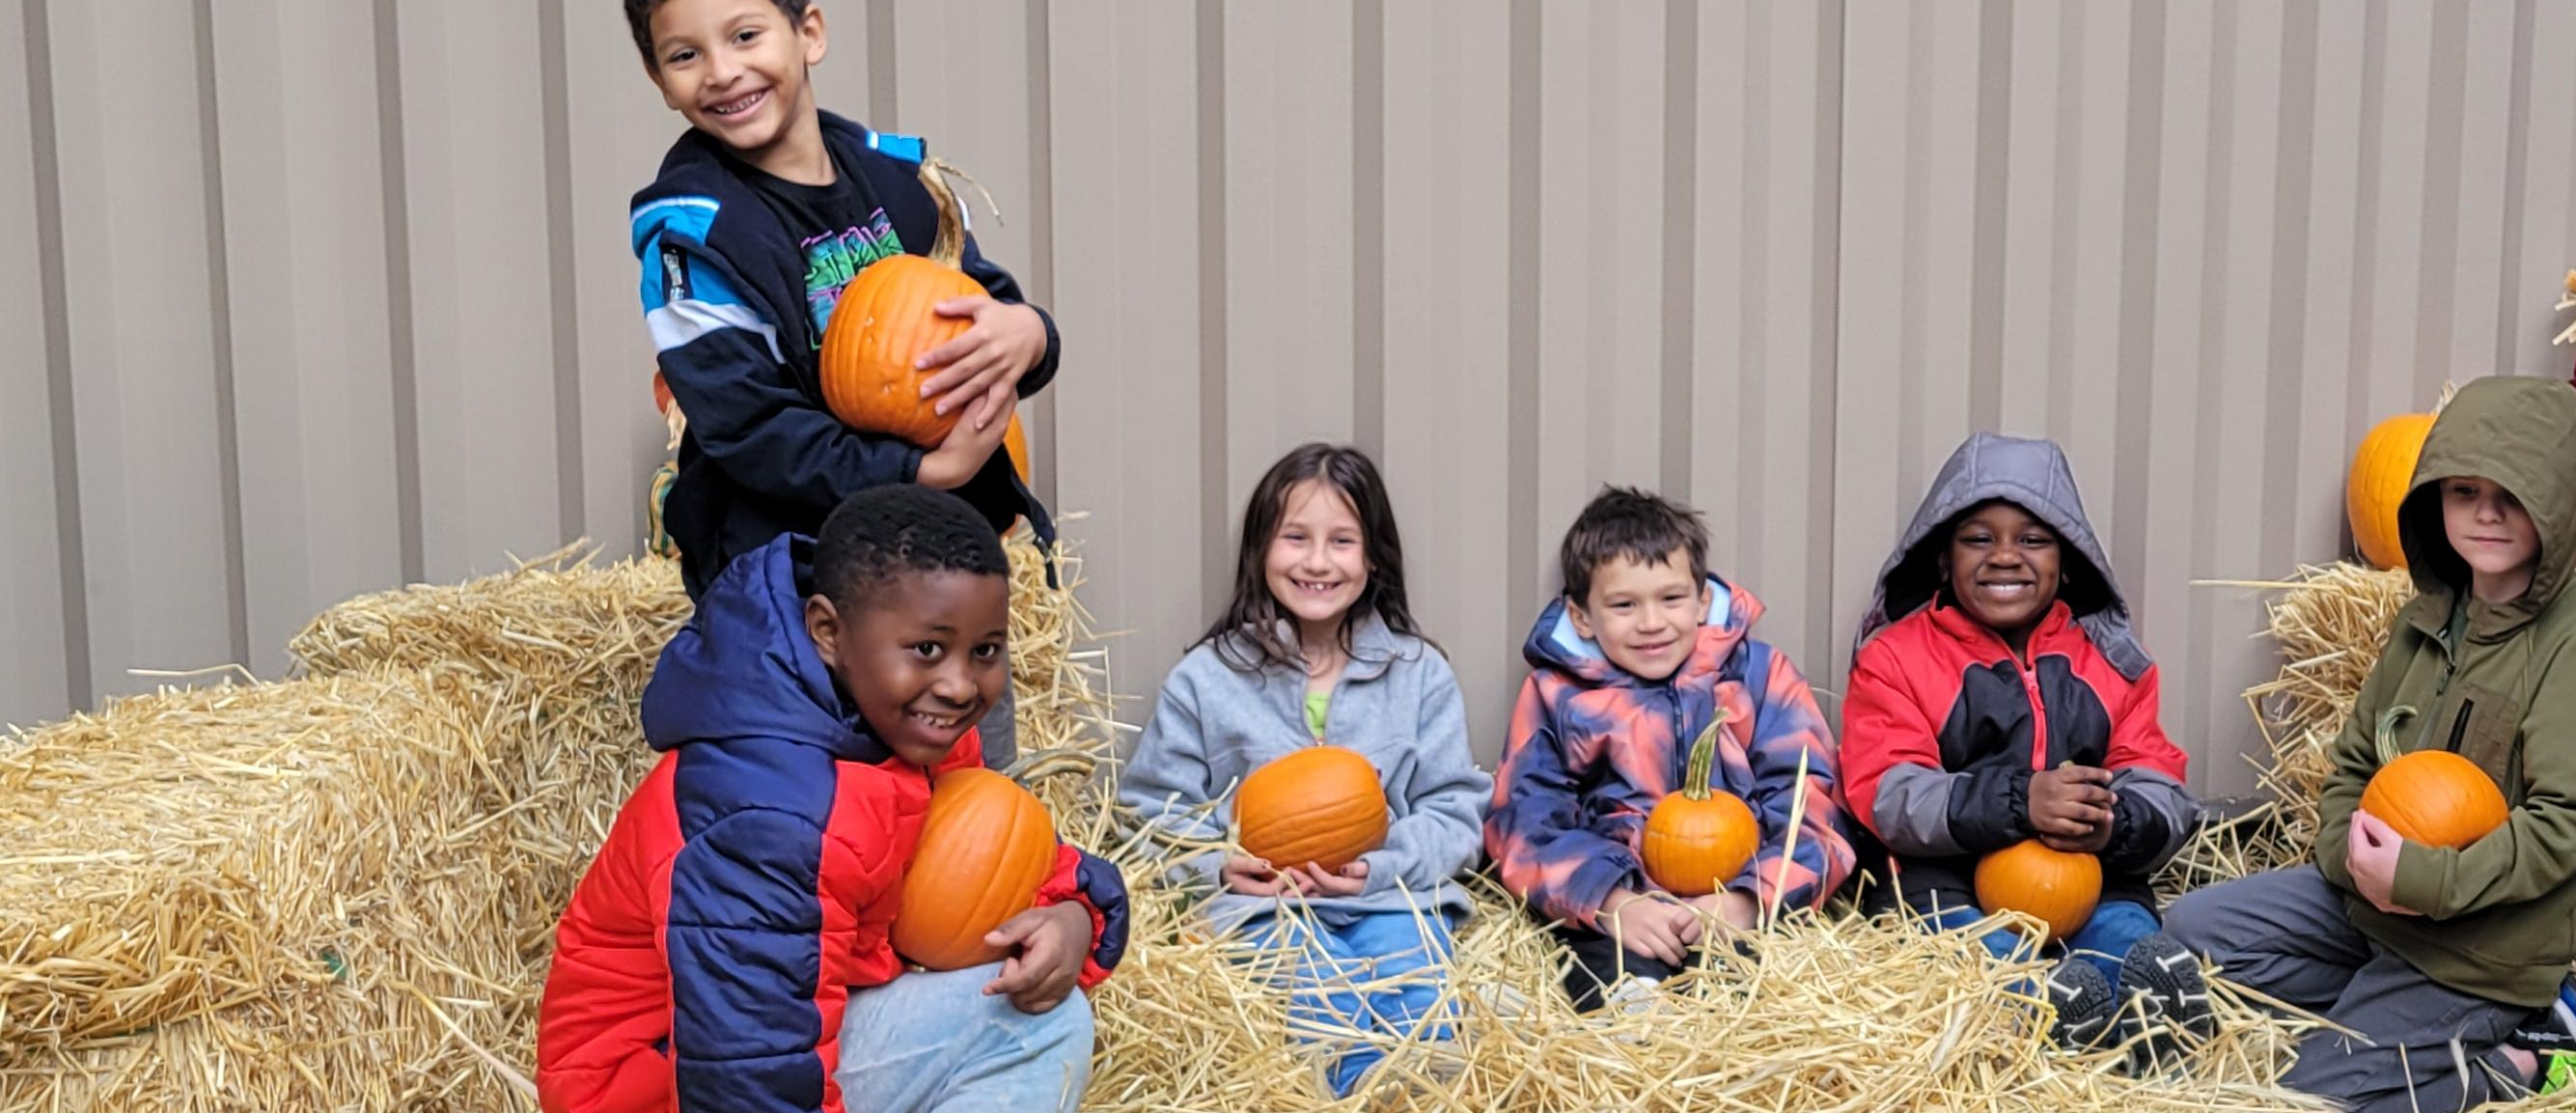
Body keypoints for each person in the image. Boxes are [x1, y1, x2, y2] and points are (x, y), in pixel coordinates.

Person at [619, 0, 1061, 769]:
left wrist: (1029, 333)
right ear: (659, 79)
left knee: (970, 803)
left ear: (807, 31)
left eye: (746, 34)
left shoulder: (893, 178)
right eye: (686, 55)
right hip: (799, 587)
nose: (723, 71)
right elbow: (748, 427)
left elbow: (974, 298)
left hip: (940, 568)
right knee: (831, 809)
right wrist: (918, 470)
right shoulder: (693, 235)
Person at [537, 486, 1128, 1113]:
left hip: (783, 1033)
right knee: (1032, 1026)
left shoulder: (904, 729)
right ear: (827, 632)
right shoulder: (766, 809)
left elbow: (991, 858)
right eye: (927, 649)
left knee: (1036, 1003)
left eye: (984, 650)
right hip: (655, 1084)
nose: (960, 685)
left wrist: (1071, 917)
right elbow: (748, 1072)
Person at [2157, 376, 2576, 1110]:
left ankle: (2512, 1063)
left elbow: (2568, 826)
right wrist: (2352, 852)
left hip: (2474, 953)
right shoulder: (2429, 616)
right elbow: (2354, 760)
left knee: (2314, 1098)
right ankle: (2383, 1025)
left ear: (2560, 507)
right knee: (2189, 935)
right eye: (2464, 491)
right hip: (2369, 910)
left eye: (2513, 497)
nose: (2485, 515)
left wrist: (2426, 882)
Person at [1117, 444, 1486, 1097]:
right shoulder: (1206, 680)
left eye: (1342, 541)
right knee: (1322, 1007)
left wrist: (1382, 865)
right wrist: (1215, 866)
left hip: (1390, 899)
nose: (1318, 561)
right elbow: (1151, 810)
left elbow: (1453, 808)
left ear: (1373, 558)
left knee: (1420, 1008)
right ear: (1262, 549)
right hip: (1265, 910)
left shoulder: (1418, 674)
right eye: (1296, 538)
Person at [1839, 432, 2211, 1059]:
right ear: (1940, 558)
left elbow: (2160, 782)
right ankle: (2039, 1004)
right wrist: (2019, 802)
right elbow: (1887, 794)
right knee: (1985, 965)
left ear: (2068, 562)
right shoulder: (1895, 658)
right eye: (1978, 538)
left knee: (2126, 937)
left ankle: (2144, 1020)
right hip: (1947, 889)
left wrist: (2111, 826)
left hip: (2091, 883)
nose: (2005, 556)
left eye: (2033, 539)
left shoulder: (2114, 662)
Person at [1482, 487, 1852, 1013]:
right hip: (1620, 906)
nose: (1651, 623)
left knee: (1740, 994)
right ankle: (1629, 1020)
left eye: (1671, 599)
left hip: (1735, 903)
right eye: (1624, 605)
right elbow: (1523, 821)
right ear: (1582, 616)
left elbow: (1812, 806)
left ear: (1703, 600)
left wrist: (1749, 900)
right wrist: (1612, 903)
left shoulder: (1759, 677)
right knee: (1612, 976)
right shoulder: (1557, 695)